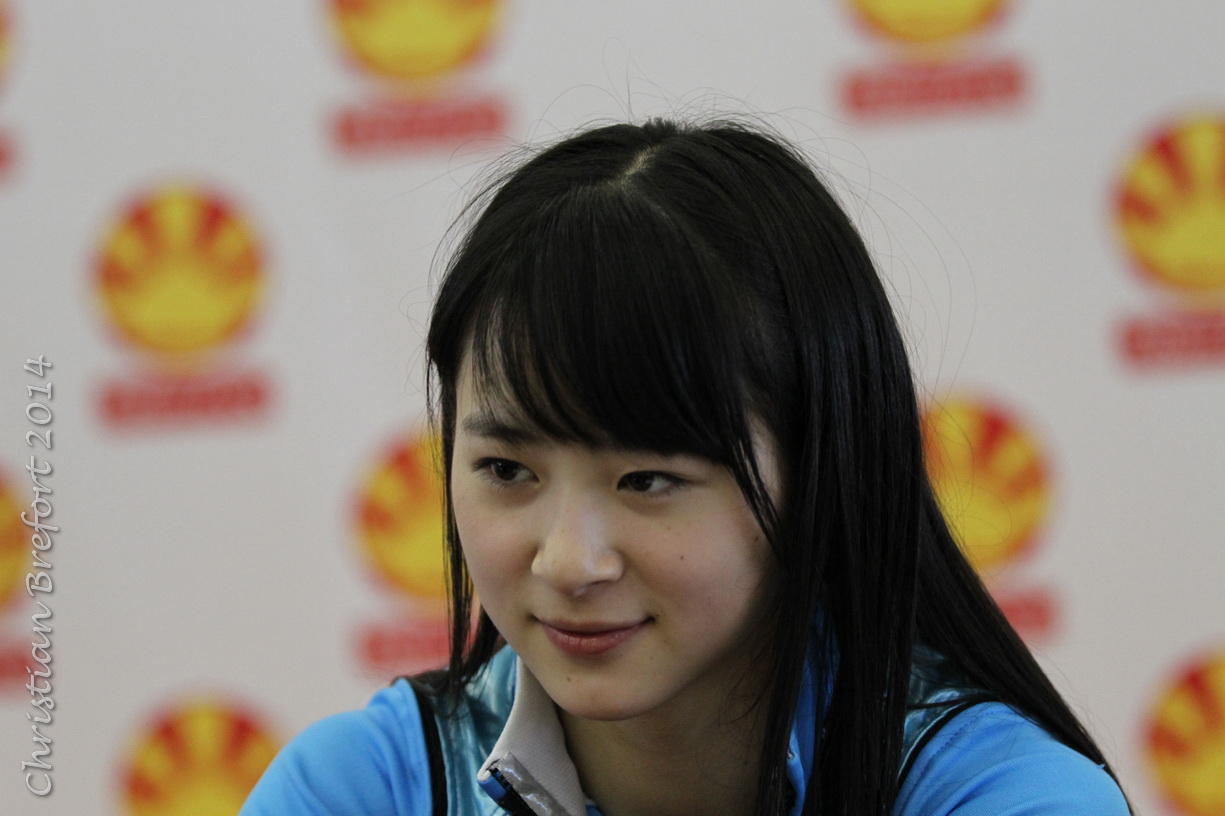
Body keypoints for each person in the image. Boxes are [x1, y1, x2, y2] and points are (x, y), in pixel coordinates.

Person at [241, 118, 1131, 816]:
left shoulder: (997, 796)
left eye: (647, 480)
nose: (568, 562)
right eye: (506, 469)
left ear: (818, 473)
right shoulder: (361, 792)